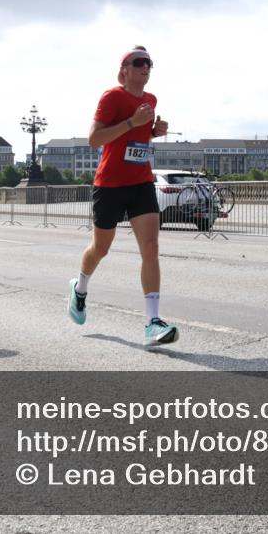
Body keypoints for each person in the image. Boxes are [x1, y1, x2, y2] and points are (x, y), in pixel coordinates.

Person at [67, 46, 178, 348]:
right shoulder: (112, 98)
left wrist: (153, 132)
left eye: (149, 62)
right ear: (125, 69)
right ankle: (80, 288)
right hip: (110, 185)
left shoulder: (151, 100)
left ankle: (153, 322)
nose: (146, 66)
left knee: (151, 248)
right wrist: (132, 122)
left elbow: (138, 137)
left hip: (141, 181)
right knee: (100, 248)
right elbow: (94, 139)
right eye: (139, 62)